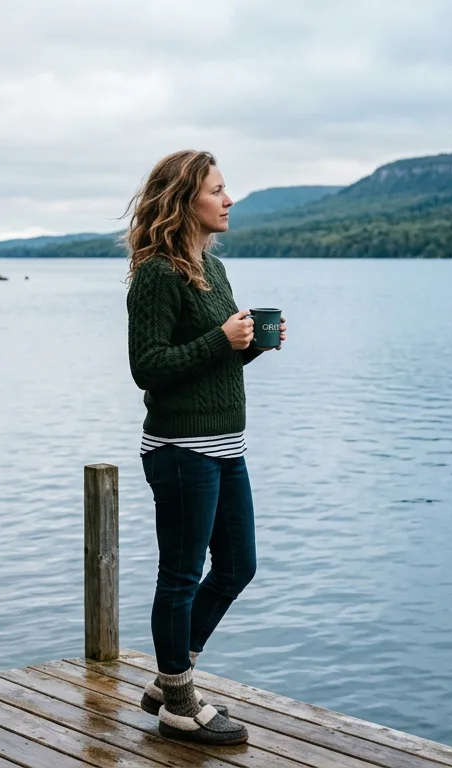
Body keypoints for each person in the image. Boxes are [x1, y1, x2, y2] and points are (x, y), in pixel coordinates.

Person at [124, 150, 286, 746]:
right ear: (183, 200)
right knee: (182, 574)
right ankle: (178, 704)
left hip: (225, 446)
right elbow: (148, 368)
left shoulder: (212, 268)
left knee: (238, 566)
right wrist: (222, 339)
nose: (229, 199)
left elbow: (213, 361)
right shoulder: (157, 274)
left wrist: (250, 345)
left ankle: (170, 676)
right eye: (217, 190)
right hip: (180, 450)